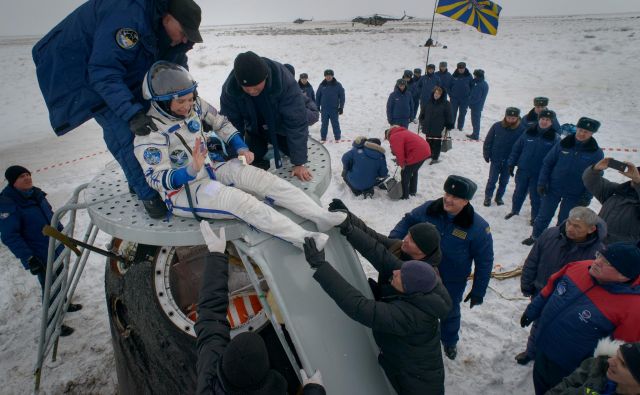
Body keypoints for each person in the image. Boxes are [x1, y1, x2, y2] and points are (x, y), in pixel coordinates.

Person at [133, 61, 346, 250]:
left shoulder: (195, 105)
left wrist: (241, 147)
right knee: (242, 202)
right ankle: (304, 239)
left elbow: (221, 123)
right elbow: (155, 178)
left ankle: (320, 216)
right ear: (161, 101)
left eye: (190, 99)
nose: (187, 106)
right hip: (184, 190)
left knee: (262, 178)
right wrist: (189, 170)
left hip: (210, 169)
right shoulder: (150, 133)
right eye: (181, 102)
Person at [32, 0, 203, 219]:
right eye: (183, 32)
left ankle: (151, 179)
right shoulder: (128, 19)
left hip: (119, 70)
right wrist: (132, 114)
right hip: (85, 75)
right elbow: (103, 72)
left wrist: (186, 94)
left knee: (157, 119)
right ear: (167, 17)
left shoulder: (165, 30)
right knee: (126, 132)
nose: (185, 39)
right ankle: (149, 195)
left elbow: (173, 64)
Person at [303, 235, 452, 395]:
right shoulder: (426, 286)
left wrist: (320, 266)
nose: (395, 271)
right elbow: (384, 258)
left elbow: (359, 307)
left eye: (400, 276)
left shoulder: (410, 317)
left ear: (408, 288)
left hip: (416, 385)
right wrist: (349, 227)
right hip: (418, 370)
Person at [195, 222, 326, 395]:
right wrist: (314, 390)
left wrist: (216, 257)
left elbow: (210, 316)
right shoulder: (208, 373)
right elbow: (209, 316)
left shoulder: (210, 375)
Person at [389, 175, 494, 360]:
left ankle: (449, 340)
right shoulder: (430, 209)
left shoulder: (478, 228)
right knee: (410, 303)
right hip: (418, 272)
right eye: (447, 193)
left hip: (450, 281)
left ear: (466, 201)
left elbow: (484, 261)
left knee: (449, 311)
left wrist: (479, 291)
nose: (448, 199)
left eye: (455, 197)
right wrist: (394, 240)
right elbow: (408, 220)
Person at [520, 241, 640, 394]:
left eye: (607, 262)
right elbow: (550, 288)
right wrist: (532, 310)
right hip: (543, 346)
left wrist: (595, 375)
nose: (597, 262)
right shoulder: (579, 267)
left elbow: (620, 352)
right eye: (600, 256)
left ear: (624, 275)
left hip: (570, 369)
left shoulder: (633, 308)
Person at [516, 207, 606, 366]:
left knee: (560, 333)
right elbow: (533, 260)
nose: (570, 228)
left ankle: (549, 360)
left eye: (578, 227)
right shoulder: (550, 234)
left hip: (570, 303)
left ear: (591, 229)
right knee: (538, 326)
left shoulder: (598, 253)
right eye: (570, 223)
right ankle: (531, 352)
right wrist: (527, 284)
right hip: (541, 292)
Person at [0, 166, 81, 337]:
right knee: (50, 286)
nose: (27, 178)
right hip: (39, 253)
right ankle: (52, 323)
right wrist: (29, 258)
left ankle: (63, 304)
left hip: (54, 247)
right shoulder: (8, 203)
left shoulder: (35, 194)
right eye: (22, 176)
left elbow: (51, 217)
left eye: (28, 174)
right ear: (13, 181)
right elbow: (10, 236)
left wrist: (63, 236)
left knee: (61, 277)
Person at [220, 51, 313, 181]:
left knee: (291, 150)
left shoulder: (284, 81)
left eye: (256, 87)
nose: (252, 91)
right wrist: (233, 157)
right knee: (252, 156)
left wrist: (299, 163)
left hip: (280, 127)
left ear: (265, 77)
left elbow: (296, 122)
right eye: (246, 88)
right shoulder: (230, 90)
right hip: (255, 128)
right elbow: (229, 124)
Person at [525, 117, 605, 245]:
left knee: (566, 220)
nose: (582, 133)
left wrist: (587, 196)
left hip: (575, 193)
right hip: (553, 188)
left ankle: (558, 241)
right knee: (543, 215)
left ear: (592, 134)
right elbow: (548, 163)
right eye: (580, 130)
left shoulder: (596, 153)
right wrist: (542, 183)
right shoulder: (563, 144)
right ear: (577, 128)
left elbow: (596, 176)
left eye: (586, 132)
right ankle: (535, 237)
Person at [505, 109, 560, 223]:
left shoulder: (555, 138)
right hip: (523, 169)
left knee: (536, 197)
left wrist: (550, 176)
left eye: (548, 120)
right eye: (543, 119)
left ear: (552, 122)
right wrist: (511, 163)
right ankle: (515, 210)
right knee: (518, 192)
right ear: (539, 119)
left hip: (539, 174)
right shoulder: (528, 132)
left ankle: (534, 217)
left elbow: (556, 160)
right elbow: (517, 149)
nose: (544, 122)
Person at [548, 340, 640, 395]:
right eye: (616, 355)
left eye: (623, 364)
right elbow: (563, 387)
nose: (610, 361)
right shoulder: (598, 365)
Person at [583, 159, 640, 244]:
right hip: (596, 242)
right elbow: (591, 181)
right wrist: (595, 169)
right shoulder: (617, 190)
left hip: (623, 250)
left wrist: (638, 182)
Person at [482, 107, 526, 206]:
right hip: (496, 158)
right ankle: (488, 197)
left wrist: (517, 161)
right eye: (509, 117)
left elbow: (522, 147)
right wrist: (486, 153)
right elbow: (488, 141)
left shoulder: (522, 130)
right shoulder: (497, 126)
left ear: (517, 118)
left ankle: (499, 197)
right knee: (492, 180)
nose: (511, 120)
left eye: (513, 118)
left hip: (509, 162)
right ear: (505, 116)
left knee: (504, 181)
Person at [385, 126, 431, 199]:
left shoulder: (394, 136)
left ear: (388, 135)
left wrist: (401, 163)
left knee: (405, 173)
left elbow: (399, 152)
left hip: (417, 153)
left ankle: (404, 195)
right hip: (425, 150)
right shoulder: (403, 132)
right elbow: (406, 147)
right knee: (413, 171)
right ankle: (412, 191)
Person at [420, 86, 453, 165]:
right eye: (435, 93)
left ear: (441, 95)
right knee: (428, 141)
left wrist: (449, 125)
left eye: (438, 93)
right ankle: (428, 154)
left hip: (438, 127)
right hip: (428, 126)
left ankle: (435, 157)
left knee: (437, 143)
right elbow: (423, 112)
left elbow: (449, 115)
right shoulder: (429, 101)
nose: (436, 95)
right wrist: (422, 120)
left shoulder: (446, 104)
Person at [316, 69, 346, 143]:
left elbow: (342, 96)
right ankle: (323, 138)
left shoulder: (338, 85)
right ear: (325, 76)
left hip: (334, 109)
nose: (328, 77)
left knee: (335, 123)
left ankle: (337, 138)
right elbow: (318, 96)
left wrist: (341, 107)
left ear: (332, 76)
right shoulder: (322, 85)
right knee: (324, 124)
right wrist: (317, 106)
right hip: (324, 109)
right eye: (327, 76)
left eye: (330, 76)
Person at [449, 62, 473, 131]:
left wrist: (469, 95)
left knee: (462, 113)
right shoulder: (454, 75)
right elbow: (449, 86)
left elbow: (472, 86)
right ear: (457, 68)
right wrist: (451, 94)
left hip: (465, 99)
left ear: (465, 68)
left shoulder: (469, 76)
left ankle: (460, 127)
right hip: (454, 99)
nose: (461, 70)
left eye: (462, 68)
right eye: (460, 68)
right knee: (453, 112)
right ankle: (451, 125)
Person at [466, 69, 489, 141]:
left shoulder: (479, 85)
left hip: (476, 106)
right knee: (476, 120)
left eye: (475, 75)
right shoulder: (484, 83)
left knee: (475, 121)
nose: (474, 76)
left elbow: (476, 98)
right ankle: (475, 133)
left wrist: (468, 103)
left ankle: (475, 135)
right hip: (479, 105)